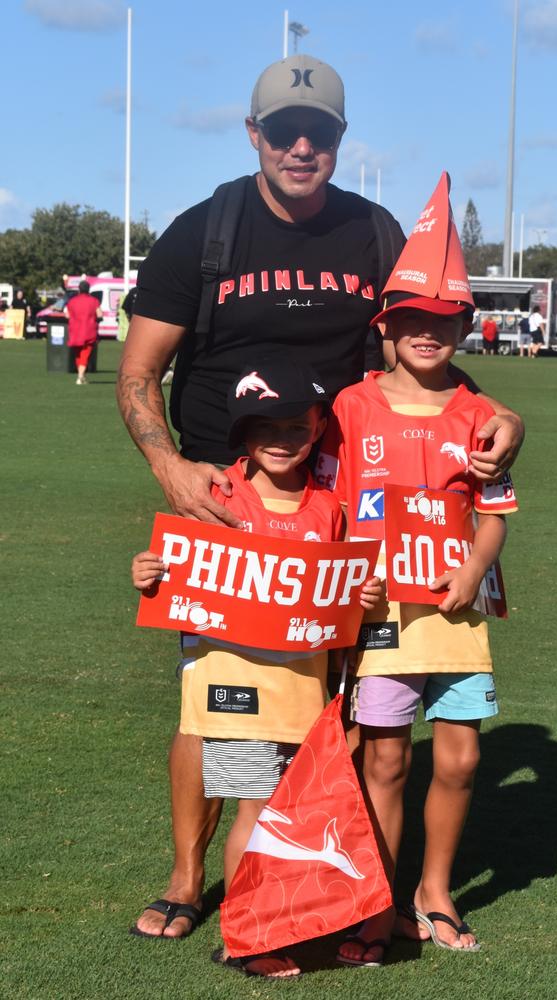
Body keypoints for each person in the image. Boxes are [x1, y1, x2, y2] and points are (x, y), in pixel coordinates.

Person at [116, 53, 526, 940]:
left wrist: (506, 418)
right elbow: (139, 375)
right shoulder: (207, 230)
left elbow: (425, 348)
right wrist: (172, 470)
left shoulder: (374, 232)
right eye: (285, 131)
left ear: (339, 141)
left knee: (328, 692)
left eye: (322, 133)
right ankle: (189, 879)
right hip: (222, 496)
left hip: (340, 501)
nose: (303, 147)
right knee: (211, 689)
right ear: (255, 133)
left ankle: (320, 872)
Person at [317, 173, 518, 966]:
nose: (427, 333)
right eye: (411, 320)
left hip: (457, 612)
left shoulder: (477, 411)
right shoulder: (351, 405)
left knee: (461, 756)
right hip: (381, 616)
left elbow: (496, 511)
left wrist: (473, 571)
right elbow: (329, 506)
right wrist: (345, 580)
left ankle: (434, 891)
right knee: (387, 756)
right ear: (386, 326)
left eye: (443, 321)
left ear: (463, 328)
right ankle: (376, 900)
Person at [130, 361, 381, 976]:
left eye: (296, 426)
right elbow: (170, 565)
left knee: (283, 811)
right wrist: (148, 572)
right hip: (231, 685)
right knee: (255, 807)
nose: (280, 438)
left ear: (318, 428)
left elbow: (341, 596)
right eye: (264, 427)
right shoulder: (219, 496)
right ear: (242, 434)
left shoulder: (329, 508)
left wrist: (363, 597)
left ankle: (269, 920)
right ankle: (250, 935)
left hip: (300, 690)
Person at [64, 280, 102, 384]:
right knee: (85, 354)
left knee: (78, 354)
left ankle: (82, 376)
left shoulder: (72, 301)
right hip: (89, 331)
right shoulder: (94, 301)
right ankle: (80, 376)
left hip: (75, 331)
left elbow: (67, 315)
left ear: (79, 289)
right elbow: (100, 314)